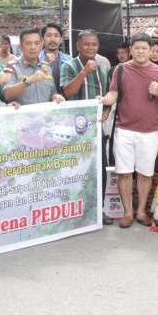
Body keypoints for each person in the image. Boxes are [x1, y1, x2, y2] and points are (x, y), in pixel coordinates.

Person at [99, 34, 158, 228]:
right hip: (123, 130)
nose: (140, 51)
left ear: (151, 51)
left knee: (145, 174)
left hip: (149, 131)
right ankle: (127, 213)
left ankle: (141, 211)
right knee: (124, 173)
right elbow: (113, 93)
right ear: (131, 50)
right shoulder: (121, 70)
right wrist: (104, 100)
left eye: (144, 48)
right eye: (137, 48)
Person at [61, 29, 112, 224]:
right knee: (76, 170)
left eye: (94, 44)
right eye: (86, 44)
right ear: (78, 46)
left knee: (99, 169)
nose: (91, 48)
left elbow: (108, 94)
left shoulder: (102, 69)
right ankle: (74, 210)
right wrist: (83, 72)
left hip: (97, 129)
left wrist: (107, 108)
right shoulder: (69, 66)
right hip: (75, 131)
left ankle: (99, 210)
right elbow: (67, 92)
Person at [1, 28, 65, 106]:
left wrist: (56, 97)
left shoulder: (47, 67)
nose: (33, 47)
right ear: (20, 47)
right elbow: (7, 94)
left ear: (42, 46)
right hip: (22, 117)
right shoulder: (10, 67)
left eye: (37, 43)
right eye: (28, 43)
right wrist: (28, 81)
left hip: (45, 116)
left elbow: (53, 92)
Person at [39, 22, 72, 94]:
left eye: (56, 36)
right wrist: (45, 63)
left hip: (66, 103)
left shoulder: (69, 60)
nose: (53, 39)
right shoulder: (36, 60)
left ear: (61, 39)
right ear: (42, 39)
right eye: (49, 35)